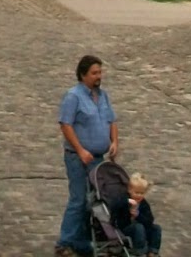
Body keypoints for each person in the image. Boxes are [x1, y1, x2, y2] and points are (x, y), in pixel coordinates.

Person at [55, 54, 118, 257]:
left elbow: (111, 120)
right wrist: (81, 150)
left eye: (100, 72)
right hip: (78, 158)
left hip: (98, 159)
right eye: (94, 73)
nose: (98, 76)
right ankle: (64, 242)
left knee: (93, 201)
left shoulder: (103, 96)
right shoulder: (73, 96)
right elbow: (66, 124)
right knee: (79, 199)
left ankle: (81, 242)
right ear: (83, 75)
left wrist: (114, 142)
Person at [112, 172, 161, 255]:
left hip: (141, 228)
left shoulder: (143, 203)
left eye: (142, 193)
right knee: (138, 227)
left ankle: (153, 251)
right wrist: (126, 202)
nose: (139, 195)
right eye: (137, 193)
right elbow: (114, 207)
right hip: (125, 228)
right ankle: (139, 250)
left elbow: (149, 220)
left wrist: (138, 215)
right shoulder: (123, 199)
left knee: (156, 228)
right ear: (129, 190)